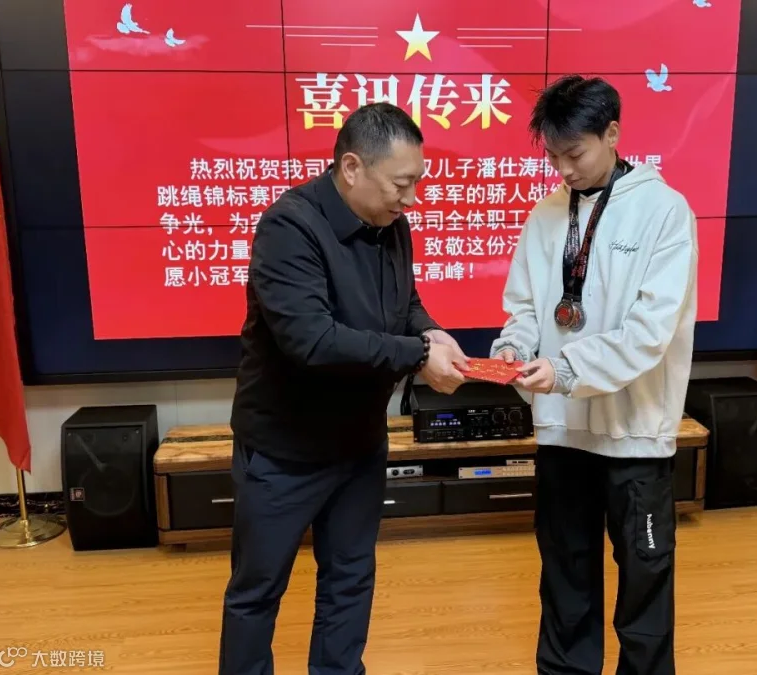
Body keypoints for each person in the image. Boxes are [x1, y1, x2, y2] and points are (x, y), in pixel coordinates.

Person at [220, 102, 469, 675]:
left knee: (350, 580)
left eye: (417, 183)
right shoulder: (289, 227)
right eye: (401, 184)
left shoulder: (392, 223)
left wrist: (430, 331)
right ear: (352, 167)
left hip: (359, 444)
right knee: (258, 592)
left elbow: (404, 303)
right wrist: (417, 355)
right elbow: (311, 341)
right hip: (284, 451)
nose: (411, 199)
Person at [491, 75, 698, 675]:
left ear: (612, 133)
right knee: (564, 576)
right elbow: (524, 306)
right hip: (562, 430)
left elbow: (650, 332)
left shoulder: (665, 211)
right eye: (553, 156)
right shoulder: (546, 213)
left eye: (574, 153)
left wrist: (565, 367)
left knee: (644, 579)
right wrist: (512, 346)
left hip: (635, 432)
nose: (564, 169)